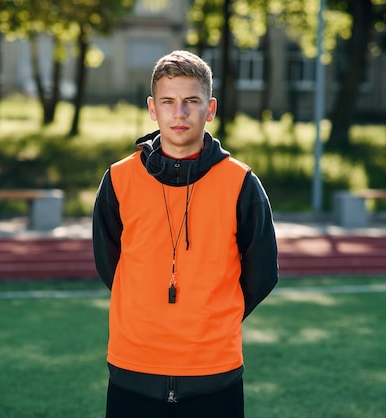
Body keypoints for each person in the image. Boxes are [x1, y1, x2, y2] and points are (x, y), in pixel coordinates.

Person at [92, 50, 279, 418]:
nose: (179, 113)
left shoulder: (241, 183)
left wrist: (211, 316)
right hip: (133, 369)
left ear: (210, 109)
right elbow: (108, 262)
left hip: (215, 372)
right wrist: (144, 307)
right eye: (168, 101)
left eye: (191, 101)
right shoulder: (118, 179)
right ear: (152, 108)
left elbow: (262, 273)